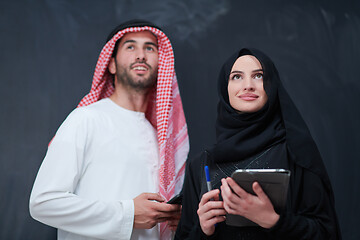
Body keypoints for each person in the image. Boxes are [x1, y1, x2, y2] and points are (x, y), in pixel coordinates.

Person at [29, 19, 189, 240]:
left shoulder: (160, 140)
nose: (141, 55)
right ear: (111, 64)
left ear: (162, 64)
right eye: (130, 46)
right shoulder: (86, 119)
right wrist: (128, 213)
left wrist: (175, 218)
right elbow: (43, 203)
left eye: (150, 48)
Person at [175, 48, 341, 239]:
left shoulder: (296, 153)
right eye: (236, 77)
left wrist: (273, 220)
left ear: (272, 86)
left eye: (259, 76)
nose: (248, 85)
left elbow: (327, 233)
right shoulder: (201, 164)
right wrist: (203, 230)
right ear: (224, 88)